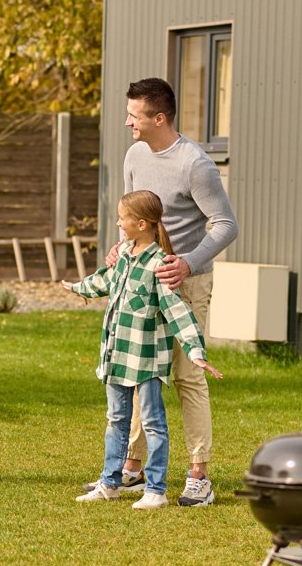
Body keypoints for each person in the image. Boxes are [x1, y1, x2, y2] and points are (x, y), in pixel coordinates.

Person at [83, 77, 238, 507]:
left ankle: (198, 476)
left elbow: (226, 224)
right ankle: (130, 469)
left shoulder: (196, 165)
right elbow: (136, 214)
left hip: (187, 283)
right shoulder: (135, 154)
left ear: (159, 118)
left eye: (134, 115)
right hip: (142, 281)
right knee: (136, 368)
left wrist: (187, 261)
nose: (128, 122)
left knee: (188, 377)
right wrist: (121, 248)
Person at [64, 191, 223, 510]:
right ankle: (109, 483)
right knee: (116, 419)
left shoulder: (159, 265)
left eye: (122, 218)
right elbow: (105, 281)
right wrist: (78, 288)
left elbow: (177, 310)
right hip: (117, 359)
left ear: (140, 224)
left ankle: (156, 490)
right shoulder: (123, 253)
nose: (118, 223)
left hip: (147, 363)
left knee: (152, 423)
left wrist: (195, 351)